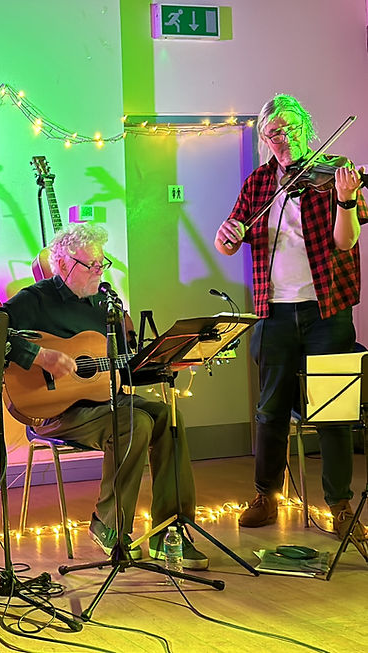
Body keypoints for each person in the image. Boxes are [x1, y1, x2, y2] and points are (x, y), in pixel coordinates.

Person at [0, 223, 208, 569]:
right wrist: (40, 357)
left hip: (104, 401)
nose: (99, 271)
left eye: (102, 264)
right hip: (56, 412)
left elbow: (121, 369)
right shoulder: (34, 300)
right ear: (64, 264)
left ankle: (169, 530)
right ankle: (108, 524)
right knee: (134, 422)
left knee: (166, 416)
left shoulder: (106, 302)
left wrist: (166, 363)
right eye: (90, 265)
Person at [214, 93, 368, 545]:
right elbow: (230, 240)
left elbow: (345, 243)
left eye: (287, 128)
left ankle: (339, 503)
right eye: (270, 133)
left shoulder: (335, 170)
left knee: (334, 411)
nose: (280, 139)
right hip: (273, 311)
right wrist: (227, 237)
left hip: (328, 311)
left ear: (304, 127)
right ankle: (267, 495)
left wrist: (345, 200)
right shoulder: (259, 183)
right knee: (269, 410)